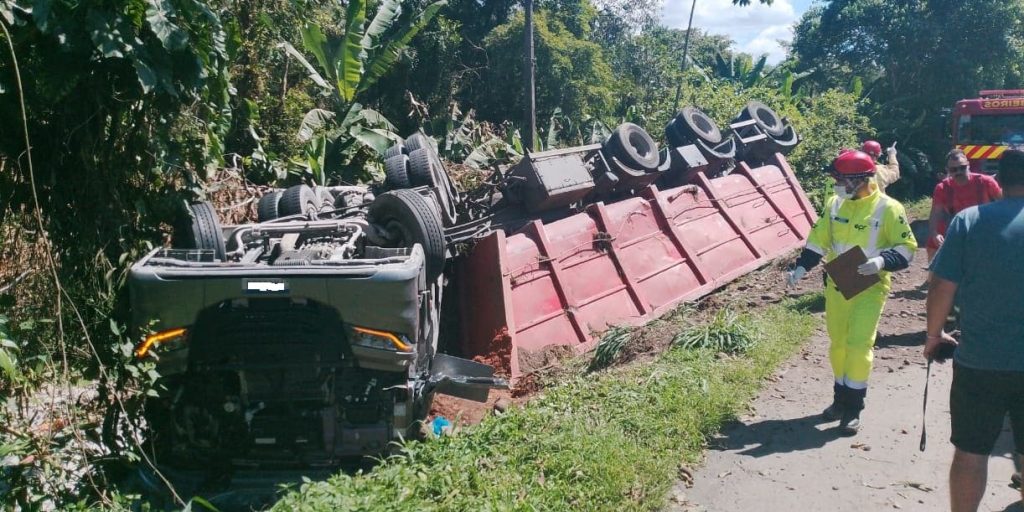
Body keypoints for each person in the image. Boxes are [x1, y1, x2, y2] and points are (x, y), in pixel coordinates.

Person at [787, 150, 917, 434]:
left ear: (859, 180)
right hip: (838, 285)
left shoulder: (889, 208)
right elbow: (818, 239)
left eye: (840, 179)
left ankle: (853, 408)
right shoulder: (835, 204)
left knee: (859, 345)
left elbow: (907, 249)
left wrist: (882, 261)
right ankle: (839, 399)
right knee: (838, 344)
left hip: (870, 287)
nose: (836, 185)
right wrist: (801, 267)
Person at [924, 148, 1024, 512]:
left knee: (970, 451)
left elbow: (940, 285)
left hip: (979, 362)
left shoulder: (968, 221)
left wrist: (934, 335)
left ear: (999, 180)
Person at [926, 148, 1003, 265]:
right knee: (932, 243)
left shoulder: (986, 182)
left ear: (968, 166)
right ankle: (932, 278)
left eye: (962, 168)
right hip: (957, 229)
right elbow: (935, 213)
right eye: (954, 169)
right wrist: (934, 234)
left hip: (984, 228)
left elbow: (1005, 204)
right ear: (947, 170)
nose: (959, 172)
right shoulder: (942, 188)